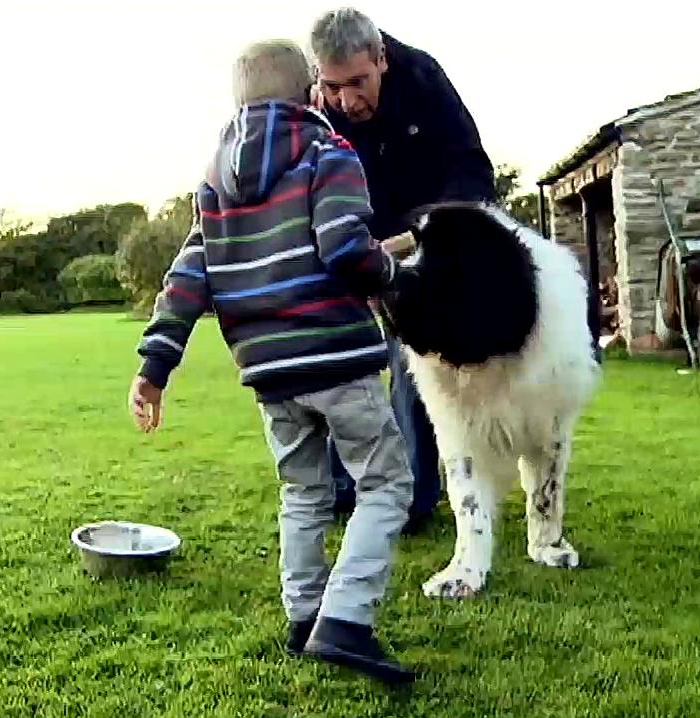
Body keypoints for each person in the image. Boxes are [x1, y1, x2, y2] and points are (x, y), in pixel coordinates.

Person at [128, 39, 416, 685]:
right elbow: (346, 247)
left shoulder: (214, 181)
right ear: (312, 91)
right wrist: (396, 273)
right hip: (336, 356)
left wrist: (154, 366)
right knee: (385, 484)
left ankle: (303, 616)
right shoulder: (327, 152)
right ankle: (345, 621)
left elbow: (186, 278)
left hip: (267, 370)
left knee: (304, 492)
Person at [308, 8, 497, 532]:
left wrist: (416, 238)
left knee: (413, 372)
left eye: (358, 83)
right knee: (334, 366)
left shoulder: (424, 80)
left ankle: (412, 499)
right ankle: (339, 489)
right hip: (345, 248)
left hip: (418, 248)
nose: (347, 100)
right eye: (333, 86)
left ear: (382, 59)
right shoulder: (312, 109)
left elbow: (474, 176)